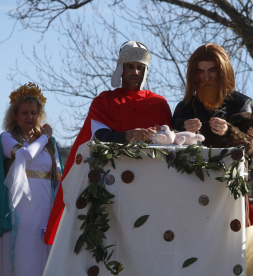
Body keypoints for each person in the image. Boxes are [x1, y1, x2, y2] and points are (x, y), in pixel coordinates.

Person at [45, 41, 172, 244]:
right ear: (120, 69)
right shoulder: (104, 101)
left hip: (150, 187)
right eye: (130, 66)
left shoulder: (159, 103)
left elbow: (169, 144)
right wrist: (128, 136)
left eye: (140, 67)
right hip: (112, 187)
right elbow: (100, 136)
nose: (135, 72)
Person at [172, 43, 253, 225]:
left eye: (212, 70)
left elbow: (251, 148)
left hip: (228, 190)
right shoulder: (184, 107)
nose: (206, 77)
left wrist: (229, 132)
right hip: (189, 190)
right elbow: (168, 149)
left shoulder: (243, 105)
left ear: (223, 71)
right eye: (200, 71)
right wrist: (182, 132)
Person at [0, 83, 64, 276]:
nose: (29, 117)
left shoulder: (50, 144)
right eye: (24, 113)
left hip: (45, 207)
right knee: (21, 254)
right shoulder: (7, 137)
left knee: (44, 257)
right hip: (18, 209)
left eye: (33, 113)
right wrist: (44, 137)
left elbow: (59, 178)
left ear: (39, 115)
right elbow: (24, 155)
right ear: (15, 116)